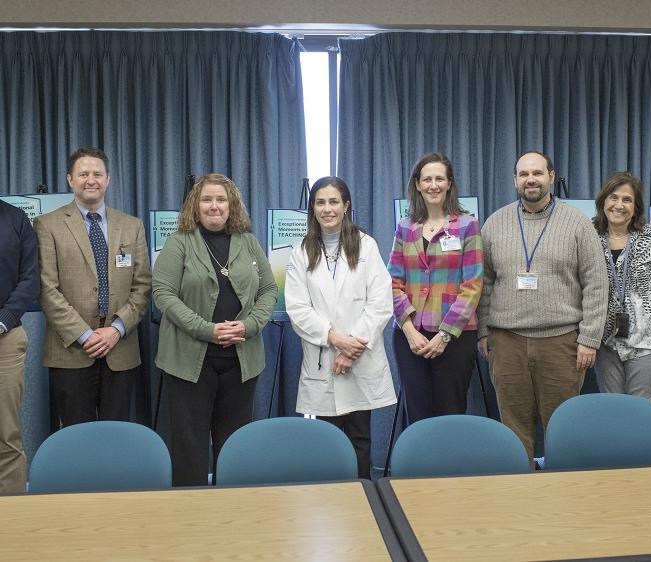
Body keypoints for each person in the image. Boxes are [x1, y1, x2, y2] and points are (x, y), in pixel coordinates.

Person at [478, 150, 608, 460]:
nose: (530, 179)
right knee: (513, 428)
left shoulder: (577, 223)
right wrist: (483, 332)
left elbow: (596, 283)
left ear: (551, 176)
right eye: (523, 174)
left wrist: (589, 339)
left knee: (561, 427)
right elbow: (483, 283)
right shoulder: (495, 223)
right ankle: (520, 494)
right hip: (507, 343)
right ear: (515, 180)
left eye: (537, 173)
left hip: (561, 343)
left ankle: (563, 495)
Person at [153, 173, 276, 486]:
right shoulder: (178, 242)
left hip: (240, 361)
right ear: (196, 205)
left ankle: (232, 515)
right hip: (188, 362)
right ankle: (192, 517)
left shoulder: (248, 242)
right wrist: (206, 330)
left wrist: (249, 326)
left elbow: (269, 290)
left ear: (231, 205)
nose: (214, 206)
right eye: (207, 199)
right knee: (190, 449)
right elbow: (163, 294)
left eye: (221, 199)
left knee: (233, 447)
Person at [285, 176, 396, 479]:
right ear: (313, 208)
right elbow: (297, 308)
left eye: (334, 201)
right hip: (324, 360)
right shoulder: (301, 251)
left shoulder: (366, 246)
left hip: (358, 359)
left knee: (360, 439)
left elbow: (380, 301)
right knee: (328, 442)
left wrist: (352, 347)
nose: (327, 208)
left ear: (346, 205)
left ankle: (364, 500)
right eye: (320, 202)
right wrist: (335, 339)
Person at [35, 147, 151, 428]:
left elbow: (143, 285)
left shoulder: (132, 226)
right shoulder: (46, 225)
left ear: (108, 179)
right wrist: (85, 335)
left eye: (97, 173)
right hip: (71, 351)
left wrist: (116, 329)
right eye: (83, 173)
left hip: (119, 349)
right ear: (70, 180)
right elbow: (46, 289)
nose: (91, 179)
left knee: (116, 433)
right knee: (77, 436)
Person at [388, 152, 483, 425]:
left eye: (439, 179)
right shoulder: (405, 227)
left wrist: (444, 335)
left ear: (449, 183)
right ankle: (419, 469)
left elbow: (473, 285)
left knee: (450, 414)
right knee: (417, 415)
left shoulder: (467, 225)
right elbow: (394, 282)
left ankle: (450, 469)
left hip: (454, 338)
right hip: (410, 339)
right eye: (427, 179)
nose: (433, 185)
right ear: (417, 184)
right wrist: (408, 329)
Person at [592, 172, 651, 401]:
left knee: (642, 409)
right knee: (612, 408)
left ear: (636, 205)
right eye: (613, 197)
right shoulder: (590, 237)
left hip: (648, 339)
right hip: (606, 341)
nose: (619, 205)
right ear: (603, 201)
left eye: (627, 199)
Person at [0, 200, 39, 494]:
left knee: (6, 434)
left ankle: (11, 514)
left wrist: (3, 320)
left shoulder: (15, 219)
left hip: (5, 338)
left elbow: (30, 279)